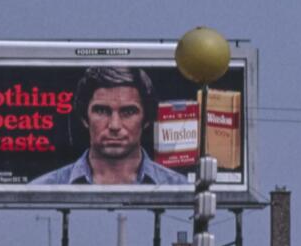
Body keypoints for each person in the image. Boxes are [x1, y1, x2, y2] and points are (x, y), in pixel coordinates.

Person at [31, 65, 186, 186]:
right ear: (85, 118)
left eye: (128, 112)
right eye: (101, 111)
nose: (114, 125)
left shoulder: (181, 188)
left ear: (146, 119)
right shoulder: (41, 189)